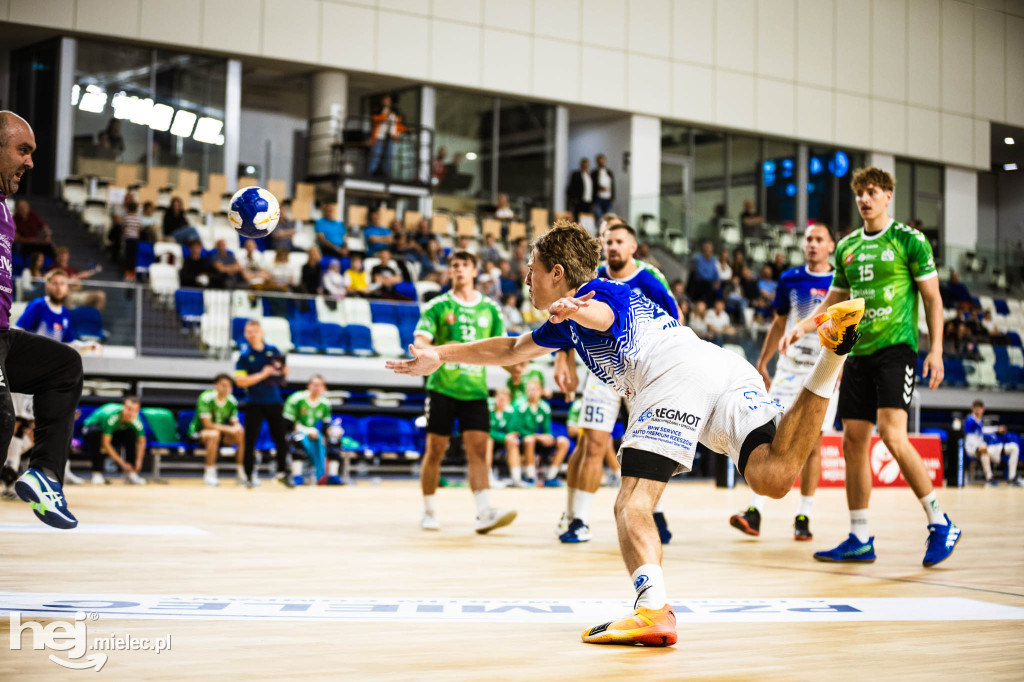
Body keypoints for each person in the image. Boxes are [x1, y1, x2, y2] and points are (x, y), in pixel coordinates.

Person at [387, 220, 867, 647]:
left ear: (557, 272)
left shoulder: (598, 296)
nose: (526, 278)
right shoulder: (570, 315)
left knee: (631, 504)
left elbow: (601, 316)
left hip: (671, 378)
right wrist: (441, 355)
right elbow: (510, 349)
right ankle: (834, 356)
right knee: (773, 476)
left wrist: (575, 311)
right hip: (720, 367)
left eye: (532, 268)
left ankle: (653, 610)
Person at [781, 166, 960, 568]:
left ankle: (940, 521)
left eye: (873, 191)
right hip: (856, 352)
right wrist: (802, 328)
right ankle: (860, 536)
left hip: (896, 349)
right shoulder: (846, 247)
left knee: (893, 436)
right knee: (852, 441)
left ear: (888, 196)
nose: (865, 198)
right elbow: (832, 304)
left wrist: (937, 350)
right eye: (860, 192)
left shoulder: (908, 240)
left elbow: (932, 299)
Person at [555, 221, 679, 544]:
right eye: (607, 241)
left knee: (649, 445)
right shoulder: (593, 277)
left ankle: (656, 511)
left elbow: (674, 323)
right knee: (593, 443)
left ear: (633, 247)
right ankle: (578, 520)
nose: (612, 246)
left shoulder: (650, 280)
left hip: (641, 374)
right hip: (602, 372)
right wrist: (563, 356)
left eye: (618, 241)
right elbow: (567, 314)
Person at [0, 111, 85, 529]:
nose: (31, 162)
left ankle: (46, 474)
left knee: (64, 365)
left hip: (2, 337)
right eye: (23, 150)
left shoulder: (5, 212)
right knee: (3, 420)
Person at [730, 224, 837, 541]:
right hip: (789, 371)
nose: (813, 244)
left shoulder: (839, 283)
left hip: (824, 370)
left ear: (830, 245)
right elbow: (779, 322)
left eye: (819, 240)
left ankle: (804, 516)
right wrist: (763, 361)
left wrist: (842, 364)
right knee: (770, 436)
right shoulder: (790, 278)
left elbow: (847, 324)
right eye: (809, 240)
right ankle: (755, 511)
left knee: (813, 444)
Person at [412, 250, 516, 534]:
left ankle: (484, 513)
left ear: (474, 271)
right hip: (442, 388)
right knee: (435, 450)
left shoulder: (490, 309)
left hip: (475, 390)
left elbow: (503, 349)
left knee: (479, 452)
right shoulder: (437, 306)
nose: (459, 269)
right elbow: (422, 341)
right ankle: (429, 510)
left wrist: (515, 369)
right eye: (454, 265)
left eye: (465, 265)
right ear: (449, 272)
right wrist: (421, 349)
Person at [1, 269, 97, 499]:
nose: (58, 287)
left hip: (48, 375)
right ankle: (12, 473)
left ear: (67, 287)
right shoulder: (38, 306)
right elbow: (20, 333)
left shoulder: (64, 313)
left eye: (62, 283)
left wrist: (87, 346)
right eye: (54, 283)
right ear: (47, 285)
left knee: (36, 428)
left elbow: (69, 344)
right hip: (28, 368)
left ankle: (14, 470)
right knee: (17, 423)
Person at [234, 320, 293, 488]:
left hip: (274, 401)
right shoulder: (244, 356)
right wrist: (262, 374)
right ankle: (248, 475)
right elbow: (240, 381)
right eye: (249, 332)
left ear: (262, 332)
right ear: (245, 335)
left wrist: (283, 371)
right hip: (254, 402)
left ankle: (282, 473)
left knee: (281, 440)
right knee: (250, 440)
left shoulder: (272, 351)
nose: (252, 334)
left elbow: (284, 373)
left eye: (255, 331)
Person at [511, 378, 570, 487]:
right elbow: (517, 430)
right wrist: (538, 437)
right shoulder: (519, 405)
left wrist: (548, 437)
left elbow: (547, 429)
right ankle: (530, 477)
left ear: (541, 391)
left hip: (538, 439)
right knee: (529, 440)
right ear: (526, 391)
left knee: (563, 442)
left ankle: (551, 477)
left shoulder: (545, 407)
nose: (533, 392)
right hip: (523, 440)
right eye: (530, 389)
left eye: (536, 389)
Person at [188, 373, 244, 487]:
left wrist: (237, 427)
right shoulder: (206, 398)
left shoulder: (232, 400)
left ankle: (241, 472)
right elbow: (207, 424)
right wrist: (229, 429)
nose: (227, 389)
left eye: (229, 386)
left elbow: (235, 423)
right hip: (199, 432)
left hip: (221, 433)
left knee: (241, 433)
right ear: (215, 386)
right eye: (224, 385)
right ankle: (210, 473)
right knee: (213, 434)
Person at [282, 374, 332, 486]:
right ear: (308, 386)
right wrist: (306, 431)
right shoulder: (296, 399)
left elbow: (326, 425)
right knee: (297, 439)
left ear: (324, 388)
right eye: (315, 385)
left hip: (314, 434)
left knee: (334, 440)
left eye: (320, 385)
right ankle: (297, 475)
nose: (317, 388)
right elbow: (288, 423)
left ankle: (329, 476)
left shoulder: (325, 403)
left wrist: (330, 432)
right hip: (294, 432)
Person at [83, 398, 147, 485]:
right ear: (123, 407)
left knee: (131, 433)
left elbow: (141, 441)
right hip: (91, 429)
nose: (131, 413)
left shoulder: (137, 419)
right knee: (95, 433)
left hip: (112, 433)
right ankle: (96, 473)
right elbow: (106, 443)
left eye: (135, 410)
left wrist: (139, 461)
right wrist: (122, 464)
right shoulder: (112, 416)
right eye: (129, 409)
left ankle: (131, 472)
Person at [964, 400, 1020, 486]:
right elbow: (969, 438)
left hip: (985, 447)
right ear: (973, 409)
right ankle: (989, 478)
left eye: (980, 408)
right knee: (984, 452)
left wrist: (997, 428)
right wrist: (979, 447)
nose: (978, 410)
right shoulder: (969, 421)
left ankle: (1011, 478)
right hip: (973, 450)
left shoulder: (980, 421)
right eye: (976, 408)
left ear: (983, 409)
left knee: (1014, 447)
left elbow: (983, 430)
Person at [487, 388, 523, 486]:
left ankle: (516, 479)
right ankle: (488, 477)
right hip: (489, 442)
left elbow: (513, 432)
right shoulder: (488, 410)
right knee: (488, 440)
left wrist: (505, 438)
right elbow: (486, 431)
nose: (501, 401)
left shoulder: (512, 412)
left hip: (504, 442)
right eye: (499, 398)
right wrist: (504, 437)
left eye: (504, 399)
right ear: (494, 398)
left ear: (508, 401)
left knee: (513, 441)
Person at [368, 93, 405, 177]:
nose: (387, 102)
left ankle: (386, 174)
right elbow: (375, 119)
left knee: (389, 156)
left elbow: (396, 125)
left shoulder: (394, 112)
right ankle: (371, 173)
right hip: (379, 136)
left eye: (388, 100)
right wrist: (385, 115)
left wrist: (404, 131)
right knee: (376, 155)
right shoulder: (378, 110)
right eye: (385, 100)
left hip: (390, 137)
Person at [687, 240, 719, 305]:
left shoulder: (713, 260)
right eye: (707, 250)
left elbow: (715, 272)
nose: (709, 252)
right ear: (704, 250)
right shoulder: (699, 259)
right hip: (701, 283)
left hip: (710, 284)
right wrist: (712, 280)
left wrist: (717, 281)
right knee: (707, 286)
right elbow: (701, 273)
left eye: (710, 250)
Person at [591, 154, 615, 221]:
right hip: (598, 199)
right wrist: (600, 188)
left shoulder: (609, 172)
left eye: (603, 161)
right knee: (598, 216)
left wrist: (613, 197)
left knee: (608, 217)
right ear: (597, 162)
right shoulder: (594, 173)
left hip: (608, 199)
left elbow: (612, 185)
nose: (602, 163)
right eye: (600, 161)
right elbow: (592, 186)